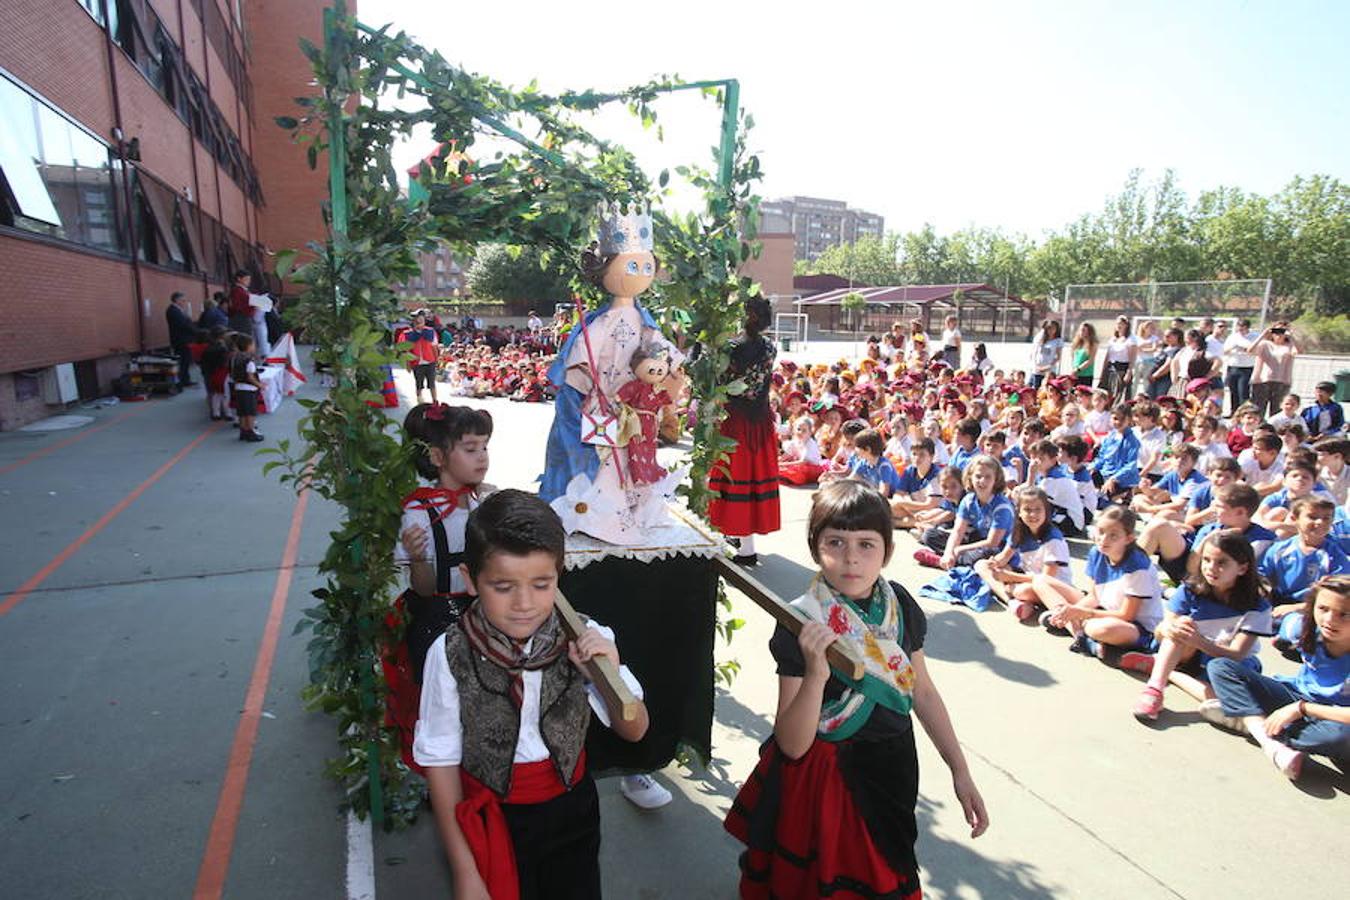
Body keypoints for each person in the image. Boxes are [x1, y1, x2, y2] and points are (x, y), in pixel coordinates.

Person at [724, 480, 988, 899]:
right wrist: (815, 674)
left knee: (891, 859)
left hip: (894, 764)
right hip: (827, 782)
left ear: (888, 549)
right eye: (835, 542)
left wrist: (960, 769)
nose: (850, 558)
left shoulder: (900, 605)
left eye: (867, 544)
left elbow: (922, 693)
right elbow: (792, 745)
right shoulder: (802, 621)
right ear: (815, 548)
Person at [415, 490, 650, 899]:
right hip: (495, 819)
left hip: (572, 813)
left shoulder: (587, 639)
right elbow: (441, 761)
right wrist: (465, 870)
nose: (524, 603)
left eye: (541, 584)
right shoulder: (450, 653)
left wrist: (605, 673)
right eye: (503, 586)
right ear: (470, 580)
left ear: (560, 575)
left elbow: (636, 731)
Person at [385, 404, 494, 772]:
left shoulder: (487, 502)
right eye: (470, 448)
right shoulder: (420, 511)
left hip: (484, 617)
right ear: (437, 457)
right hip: (439, 621)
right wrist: (417, 558)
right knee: (441, 701)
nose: (482, 457)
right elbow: (426, 589)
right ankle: (442, 772)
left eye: (484, 446)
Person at [1205, 575, 1350, 779]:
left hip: (1334, 719)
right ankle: (1267, 737)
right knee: (1221, 667)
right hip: (1294, 698)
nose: (1329, 620)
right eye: (1323, 609)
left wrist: (1301, 709)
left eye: (1344, 614)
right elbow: (1271, 618)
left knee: (1342, 736)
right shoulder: (1301, 628)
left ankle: (1252, 721)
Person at [1127, 531, 1272, 721]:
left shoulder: (1257, 605)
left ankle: (1167, 671)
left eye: (1222, 562)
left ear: (1243, 568)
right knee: (1182, 626)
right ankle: (1154, 690)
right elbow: (1161, 631)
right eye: (1207, 560)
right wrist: (1169, 629)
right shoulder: (1190, 588)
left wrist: (1199, 641)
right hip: (1189, 652)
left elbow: (1237, 653)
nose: (1211, 568)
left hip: (1228, 661)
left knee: (1227, 700)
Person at [1034, 506, 1164, 661]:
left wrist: (1080, 613)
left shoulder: (1138, 566)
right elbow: (1094, 596)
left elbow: (1126, 615)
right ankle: (1081, 637)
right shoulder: (1097, 552)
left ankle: (1079, 629)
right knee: (1040, 581)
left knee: (1100, 629)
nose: (1104, 539)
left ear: (1129, 538)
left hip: (1135, 627)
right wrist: (1071, 611)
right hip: (1102, 609)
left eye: (1113, 536)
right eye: (1101, 532)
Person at [708, 297, 782, 566]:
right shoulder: (770, 348)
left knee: (734, 477)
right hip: (760, 422)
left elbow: (722, 384)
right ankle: (743, 543)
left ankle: (740, 544)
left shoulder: (730, 348)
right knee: (751, 480)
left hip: (735, 422)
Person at [974, 485, 1070, 620]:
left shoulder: (1053, 539)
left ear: (1046, 512)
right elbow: (1004, 557)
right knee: (981, 565)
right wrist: (994, 563)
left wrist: (1010, 577)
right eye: (1027, 510)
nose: (1033, 515)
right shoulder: (1020, 531)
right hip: (1028, 576)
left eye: (1038, 510)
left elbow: (1046, 579)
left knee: (1021, 590)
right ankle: (1012, 602)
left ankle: (1019, 598)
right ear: (1019, 512)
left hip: (1053, 586)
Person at [1248, 321, 1298, 418]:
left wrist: (1291, 336)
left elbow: (1299, 351)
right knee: (1258, 409)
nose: (1279, 334)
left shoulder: (1289, 346)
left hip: (1282, 380)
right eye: (1276, 330)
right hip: (1262, 380)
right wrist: (1263, 334)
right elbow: (1250, 350)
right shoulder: (1264, 344)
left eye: (1282, 331)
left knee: (1277, 411)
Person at [229, 333, 264, 442]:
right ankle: (251, 431)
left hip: (238, 387)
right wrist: (260, 385)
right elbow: (250, 377)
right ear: (248, 346)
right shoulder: (249, 360)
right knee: (250, 412)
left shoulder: (235, 358)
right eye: (253, 345)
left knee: (242, 411)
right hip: (248, 389)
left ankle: (243, 430)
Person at [406, 310, 441, 404]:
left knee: (432, 383)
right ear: (413, 321)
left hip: (430, 361)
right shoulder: (408, 334)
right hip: (417, 363)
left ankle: (435, 401)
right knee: (418, 384)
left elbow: (434, 347)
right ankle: (419, 401)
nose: (419, 322)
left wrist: (437, 360)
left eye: (421, 320)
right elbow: (407, 351)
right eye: (417, 320)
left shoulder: (430, 331)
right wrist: (408, 364)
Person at [1222, 318, 1257, 412]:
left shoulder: (1254, 336)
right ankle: (1233, 411)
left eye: (1243, 328)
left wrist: (1245, 349)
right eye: (1239, 328)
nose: (1241, 330)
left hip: (1246, 367)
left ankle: (1243, 412)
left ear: (1247, 328)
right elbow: (1224, 351)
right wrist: (1233, 348)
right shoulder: (1233, 337)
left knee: (1243, 392)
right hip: (1233, 366)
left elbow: (1256, 351)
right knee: (1233, 391)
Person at [1099, 316, 1136, 402]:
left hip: (1122, 368)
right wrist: (1103, 371)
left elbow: (1132, 358)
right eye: (1118, 323)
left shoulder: (1130, 339)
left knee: (1118, 394)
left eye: (1122, 324)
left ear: (1126, 325)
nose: (1119, 325)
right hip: (1111, 367)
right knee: (1106, 392)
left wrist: (1129, 372)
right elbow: (1107, 356)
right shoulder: (1113, 339)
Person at [165, 291, 197, 388]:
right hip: (180, 340)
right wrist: (195, 331)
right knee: (183, 361)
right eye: (183, 300)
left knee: (185, 361)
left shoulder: (178, 310)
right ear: (177, 300)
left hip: (183, 339)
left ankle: (185, 379)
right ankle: (183, 380)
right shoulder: (173, 311)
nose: (185, 302)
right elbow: (183, 324)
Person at [200, 326, 231, 421]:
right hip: (221, 372)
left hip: (209, 372)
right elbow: (225, 361)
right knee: (226, 393)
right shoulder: (223, 348)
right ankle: (227, 412)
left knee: (213, 393)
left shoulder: (207, 348)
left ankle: (215, 412)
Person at [1029, 319, 1064, 388]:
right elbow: (1034, 353)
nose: (1051, 331)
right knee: (1036, 388)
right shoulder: (1040, 339)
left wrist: (1048, 366)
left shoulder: (1058, 341)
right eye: (1049, 328)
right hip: (1037, 370)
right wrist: (1036, 366)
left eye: (1053, 328)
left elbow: (1058, 357)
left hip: (1049, 371)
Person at [1133, 319, 1162, 398]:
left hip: (1149, 362)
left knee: (1146, 381)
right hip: (1138, 361)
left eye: (1153, 328)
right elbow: (1136, 349)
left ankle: (1147, 397)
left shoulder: (1154, 338)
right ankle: (1132, 397)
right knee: (1135, 380)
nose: (1151, 330)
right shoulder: (1137, 338)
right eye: (1150, 328)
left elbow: (1154, 349)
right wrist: (1145, 346)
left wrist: (1142, 349)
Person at [1071, 321, 1098, 387]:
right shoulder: (1077, 343)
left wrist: (1078, 369)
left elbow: (1090, 360)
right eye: (1080, 330)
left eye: (1083, 330)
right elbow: (1073, 358)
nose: (1081, 332)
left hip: (1086, 375)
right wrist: (1074, 370)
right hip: (1075, 374)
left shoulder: (1092, 344)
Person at [226, 269, 253, 334]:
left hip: (243, 318)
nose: (249, 281)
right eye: (246, 279)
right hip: (240, 319)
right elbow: (236, 306)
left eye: (249, 279)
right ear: (239, 279)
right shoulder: (237, 290)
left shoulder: (243, 290)